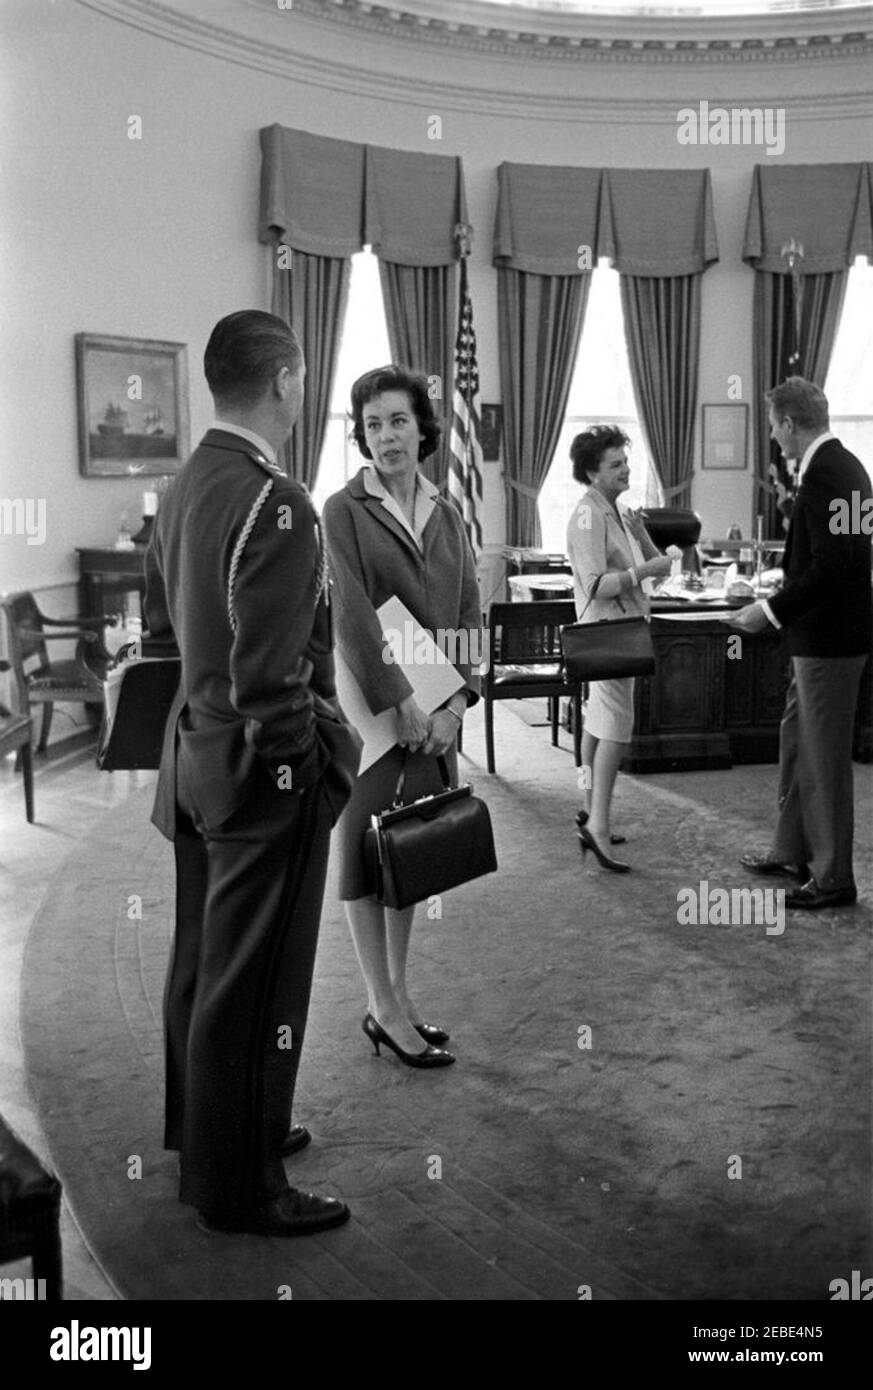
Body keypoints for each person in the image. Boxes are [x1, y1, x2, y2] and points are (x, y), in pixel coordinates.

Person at [144, 310, 361, 1236]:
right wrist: (308, 764)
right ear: (286, 380)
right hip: (256, 773)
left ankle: (215, 1132)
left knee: (206, 962)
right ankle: (242, 1185)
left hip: (193, 755)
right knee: (256, 980)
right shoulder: (277, 501)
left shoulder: (188, 479)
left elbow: (182, 630)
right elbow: (271, 679)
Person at [321, 365, 481, 1067]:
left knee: (407, 849)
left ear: (423, 428)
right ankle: (379, 1005)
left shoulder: (446, 512)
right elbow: (351, 614)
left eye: (396, 421)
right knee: (364, 849)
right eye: (372, 423)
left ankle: (398, 995)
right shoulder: (342, 509)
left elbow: (469, 613)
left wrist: (454, 701)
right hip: (371, 705)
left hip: (436, 696)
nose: (384, 436)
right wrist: (401, 700)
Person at [728, 377, 872, 910]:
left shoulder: (826, 476)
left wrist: (767, 611)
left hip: (829, 643)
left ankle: (833, 878)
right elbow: (837, 559)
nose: (773, 436)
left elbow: (839, 566)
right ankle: (791, 849)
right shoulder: (846, 467)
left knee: (823, 758)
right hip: (821, 637)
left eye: (773, 426)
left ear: (790, 423)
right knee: (796, 741)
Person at [566, 426, 672, 872]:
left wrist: (643, 539)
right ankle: (600, 826)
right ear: (592, 471)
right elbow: (595, 586)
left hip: (620, 628)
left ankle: (591, 811)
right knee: (614, 729)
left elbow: (658, 574)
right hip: (608, 632)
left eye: (626, 462)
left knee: (596, 726)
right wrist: (643, 567)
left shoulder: (615, 512)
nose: (625, 469)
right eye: (615, 464)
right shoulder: (589, 515)